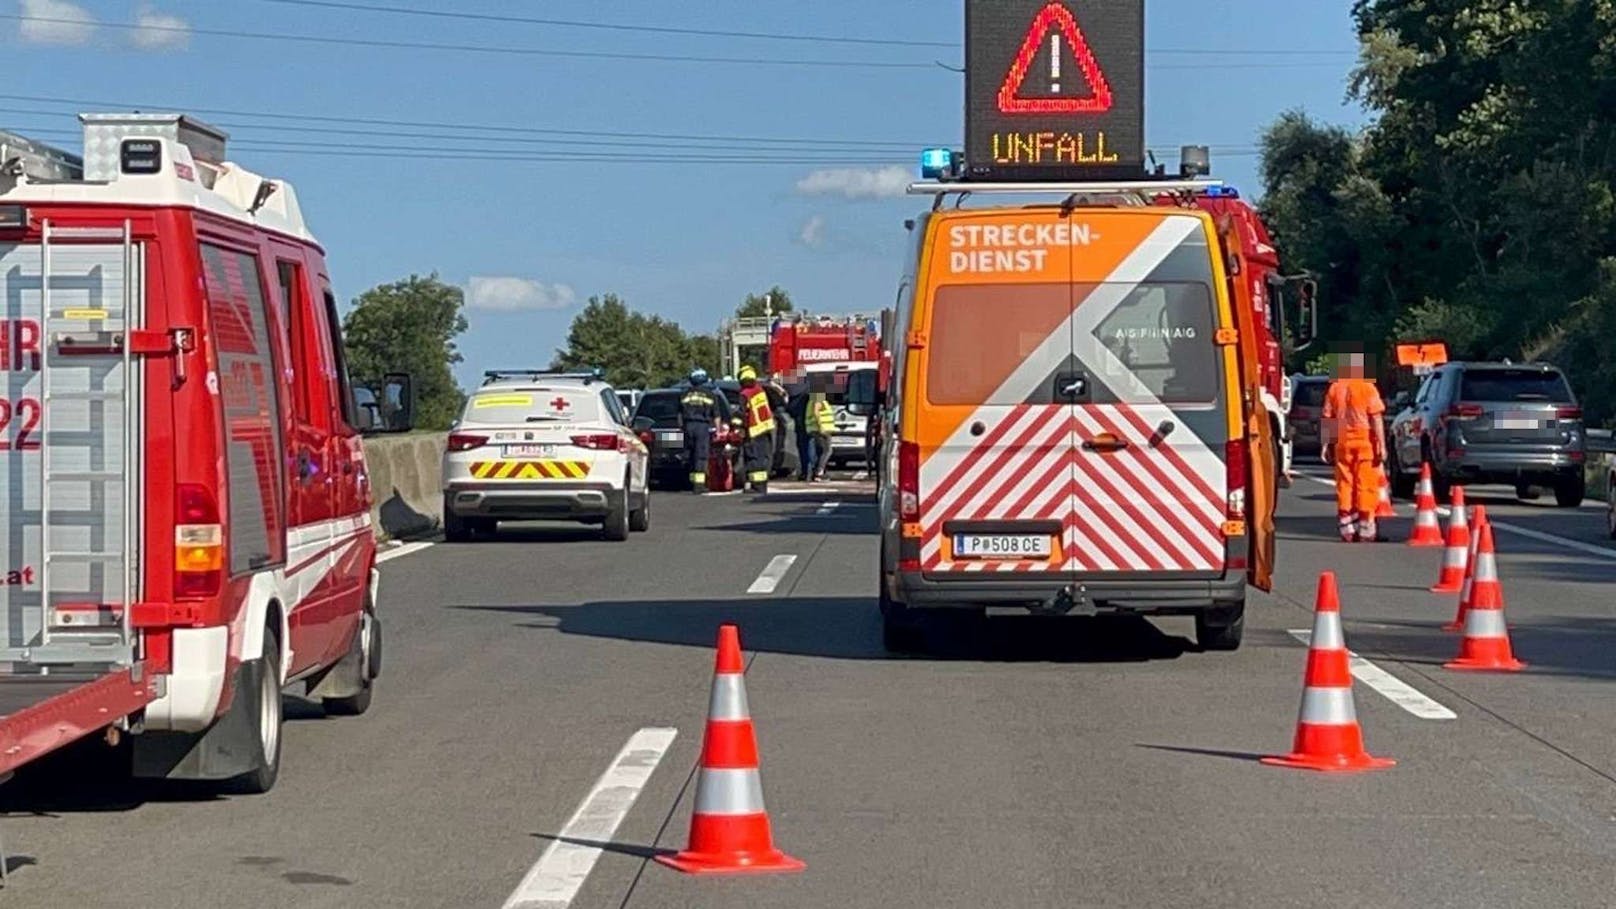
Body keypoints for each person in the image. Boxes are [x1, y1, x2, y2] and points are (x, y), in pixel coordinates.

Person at [1320, 349, 1387, 542]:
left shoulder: (1334, 388)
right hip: (1365, 442)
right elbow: (1376, 418)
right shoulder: (1367, 387)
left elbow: (1328, 419)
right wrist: (1382, 445)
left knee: (1345, 484)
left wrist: (1326, 445)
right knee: (1365, 484)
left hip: (1342, 442)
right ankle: (1366, 528)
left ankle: (1346, 528)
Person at [678, 368, 723, 494]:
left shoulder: (684, 394)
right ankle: (699, 486)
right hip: (702, 427)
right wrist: (718, 431)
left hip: (688, 426)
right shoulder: (710, 394)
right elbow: (717, 415)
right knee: (701, 455)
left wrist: (682, 429)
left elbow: (679, 414)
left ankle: (691, 483)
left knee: (690, 454)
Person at [736, 365, 777, 493]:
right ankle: (762, 485)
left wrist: (737, 426)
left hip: (754, 430)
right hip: (766, 429)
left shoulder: (744, 394)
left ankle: (756, 486)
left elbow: (742, 413)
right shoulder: (760, 390)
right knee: (763, 457)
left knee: (754, 458)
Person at [786, 383, 813, 482]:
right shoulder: (813, 393)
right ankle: (813, 472)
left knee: (805, 449)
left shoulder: (797, 398)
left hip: (803, 427)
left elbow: (790, 409)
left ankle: (806, 473)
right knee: (812, 449)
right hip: (814, 427)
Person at [808, 388, 836, 481]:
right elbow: (816, 411)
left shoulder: (814, 397)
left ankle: (817, 472)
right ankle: (819, 473)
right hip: (821, 429)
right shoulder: (818, 396)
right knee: (827, 450)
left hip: (815, 429)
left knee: (820, 451)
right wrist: (821, 426)